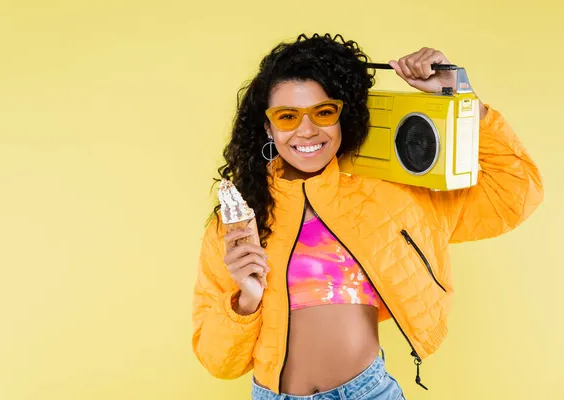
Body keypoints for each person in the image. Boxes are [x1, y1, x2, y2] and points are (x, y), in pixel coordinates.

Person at [191, 33, 544, 400]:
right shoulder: (238, 224)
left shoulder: (390, 193)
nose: (307, 130)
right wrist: (246, 301)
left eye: (324, 112)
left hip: (369, 392)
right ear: (268, 126)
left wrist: (462, 93)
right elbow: (219, 363)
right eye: (287, 116)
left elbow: (514, 193)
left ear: (344, 115)